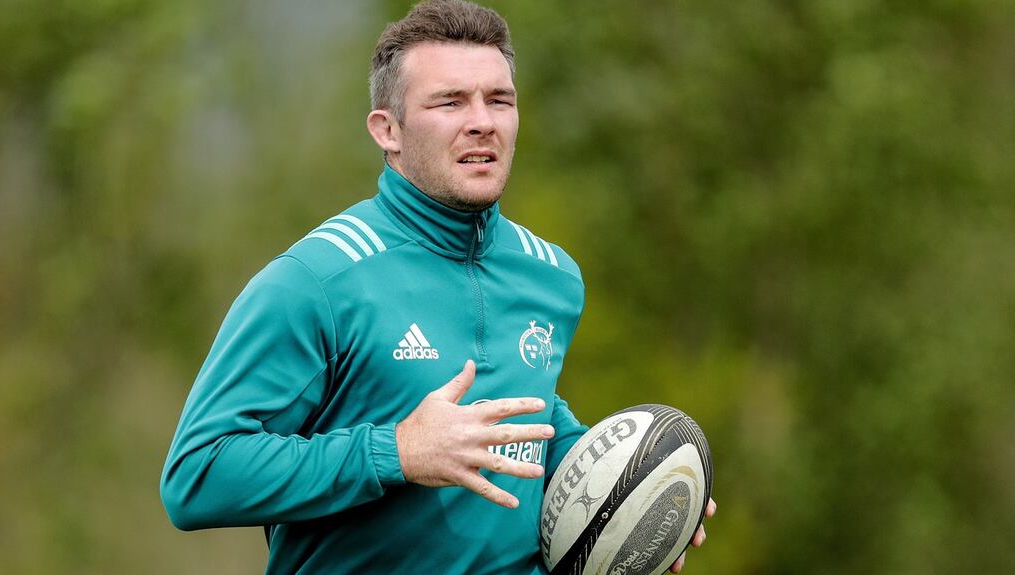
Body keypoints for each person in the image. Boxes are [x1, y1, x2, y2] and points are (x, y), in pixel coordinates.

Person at [160, 1, 714, 573]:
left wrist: (642, 489)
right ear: (388, 131)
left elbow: (530, 425)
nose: (482, 120)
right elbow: (197, 475)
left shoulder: (551, 276)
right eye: (450, 101)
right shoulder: (317, 282)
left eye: (499, 99)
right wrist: (396, 452)